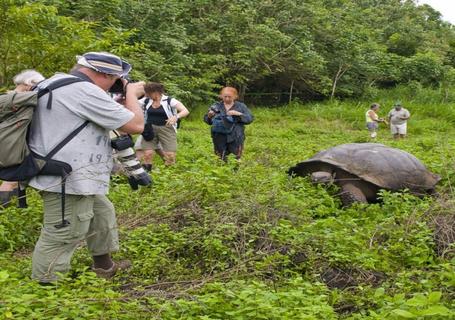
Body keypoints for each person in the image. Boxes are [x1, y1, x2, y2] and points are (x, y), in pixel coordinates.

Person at [28, 52, 145, 283]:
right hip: (68, 179)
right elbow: (136, 124)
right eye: (115, 79)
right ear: (103, 73)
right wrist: (131, 93)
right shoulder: (84, 91)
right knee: (62, 234)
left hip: (70, 173)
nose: (115, 84)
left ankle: (104, 266)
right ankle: (45, 289)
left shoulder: (54, 83)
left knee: (101, 214)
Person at [0, 69, 45, 207]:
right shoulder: (11, 98)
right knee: (11, 181)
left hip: (15, 148)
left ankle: (13, 211)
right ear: (29, 83)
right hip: (11, 149)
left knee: (13, 180)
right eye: (38, 83)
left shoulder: (17, 100)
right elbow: (44, 94)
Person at [134, 82, 189, 168]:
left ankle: (170, 173)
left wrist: (176, 117)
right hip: (150, 129)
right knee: (148, 154)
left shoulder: (169, 100)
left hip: (167, 128)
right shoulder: (146, 100)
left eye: (148, 93)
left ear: (156, 92)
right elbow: (133, 103)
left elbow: (185, 111)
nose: (147, 95)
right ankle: (147, 175)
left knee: (170, 155)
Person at [203, 87, 254, 161]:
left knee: (236, 159)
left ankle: (235, 172)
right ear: (221, 96)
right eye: (225, 96)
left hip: (236, 136)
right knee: (220, 158)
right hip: (219, 137)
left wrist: (238, 114)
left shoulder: (241, 106)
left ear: (235, 96)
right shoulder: (216, 106)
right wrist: (209, 116)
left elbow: (249, 119)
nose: (227, 99)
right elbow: (208, 121)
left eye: (229, 97)